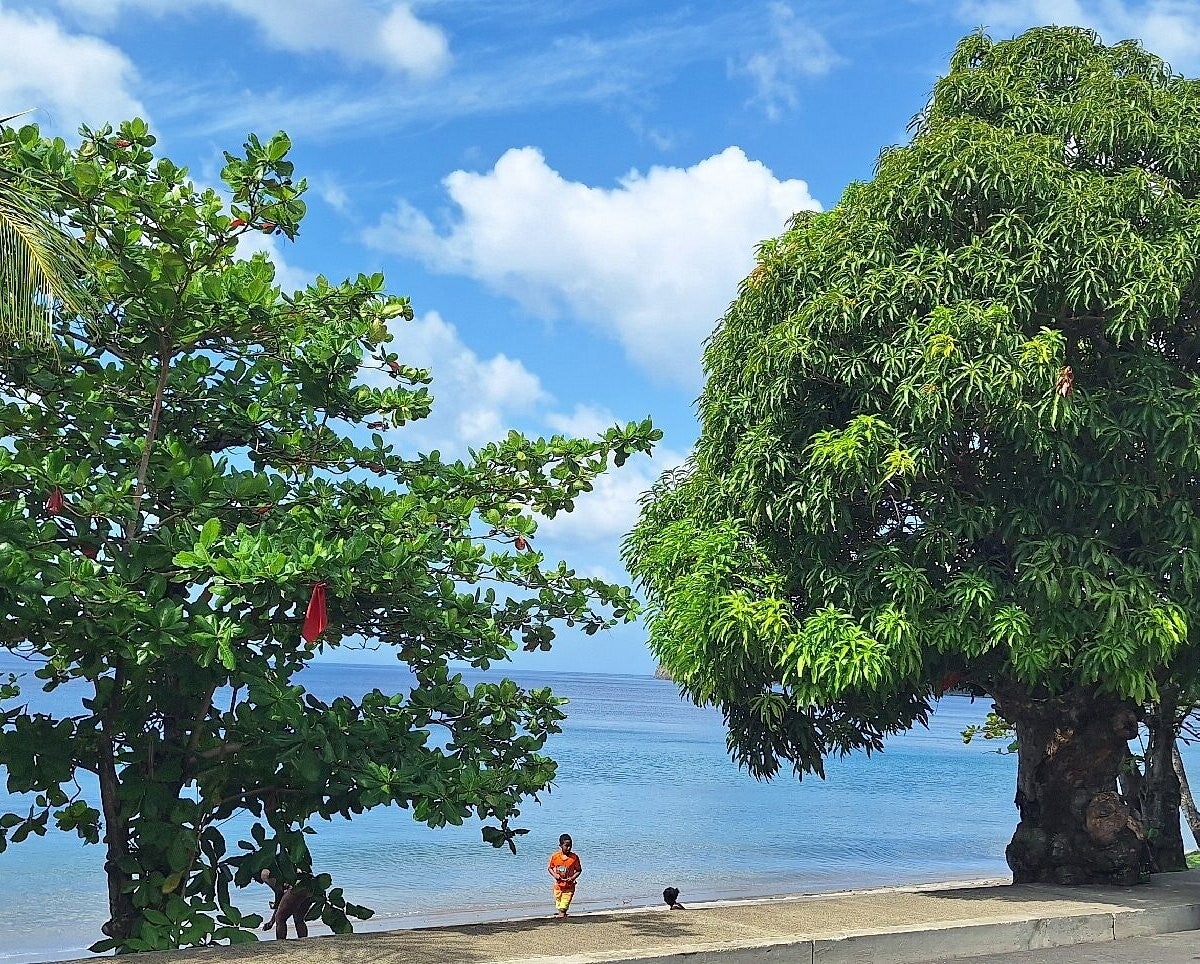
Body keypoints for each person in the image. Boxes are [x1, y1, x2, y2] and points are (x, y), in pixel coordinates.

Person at [259, 868, 314, 940]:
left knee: (280, 918)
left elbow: (280, 894)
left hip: (296, 887)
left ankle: (281, 944)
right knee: (299, 919)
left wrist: (272, 921)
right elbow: (282, 897)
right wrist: (271, 921)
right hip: (309, 885)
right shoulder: (277, 865)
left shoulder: (264, 874)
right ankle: (304, 942)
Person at [547, 833, 583, 918]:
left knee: (564, 906)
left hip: (569, 886)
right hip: (558, 887)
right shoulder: (555, 857)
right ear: (560, 845)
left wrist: (573, 877)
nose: (569, 848)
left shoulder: (574, 858)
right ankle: (562, 915)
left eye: (570, 845)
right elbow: (550, 868)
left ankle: (561, 918)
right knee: (559, 905)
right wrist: (555, 875)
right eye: (566, 846)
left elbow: (578, 870)